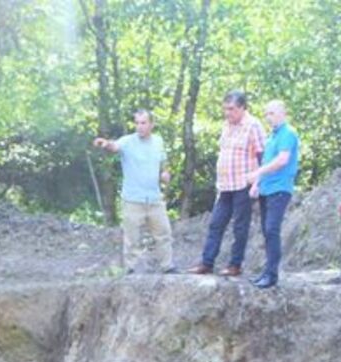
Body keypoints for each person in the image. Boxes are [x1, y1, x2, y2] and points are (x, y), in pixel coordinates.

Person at [187, 91, 265, 277]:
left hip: (243, 184)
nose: (227, 113)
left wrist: (259, 182)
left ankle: (235, 265)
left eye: (231, 109)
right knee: (216, 224)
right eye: (225, 109)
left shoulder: (253, 126)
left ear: (242, 108)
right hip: (225, 186)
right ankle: (207, 263)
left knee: (240, 226)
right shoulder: (226, 125)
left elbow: (263, 156)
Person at [93, 110, 177, 274]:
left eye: (143, 123)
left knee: (163, 233)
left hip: (154, 198)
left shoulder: (158, 141)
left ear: (151, 124)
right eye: (137, 123)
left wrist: (165, 174)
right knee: (132, 237)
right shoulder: (128, 141)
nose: (139, 126)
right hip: (132, 199)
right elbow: (114, 146)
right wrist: (105, 143)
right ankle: (132, 268)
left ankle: (167, 266)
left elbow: (163, 164)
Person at [247, 100, 300, 289]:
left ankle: (272, 275)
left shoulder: (288, 133)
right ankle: (266, 272)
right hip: (266, 189)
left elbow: (282, 161)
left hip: (280, 188)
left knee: (271, 229)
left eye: (272, 113)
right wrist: (257, 183)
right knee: (267, 232)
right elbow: (266, 162)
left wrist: (257, 174)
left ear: (283, 113)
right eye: (267, 114)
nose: (269, 117)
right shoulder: (271, 138)